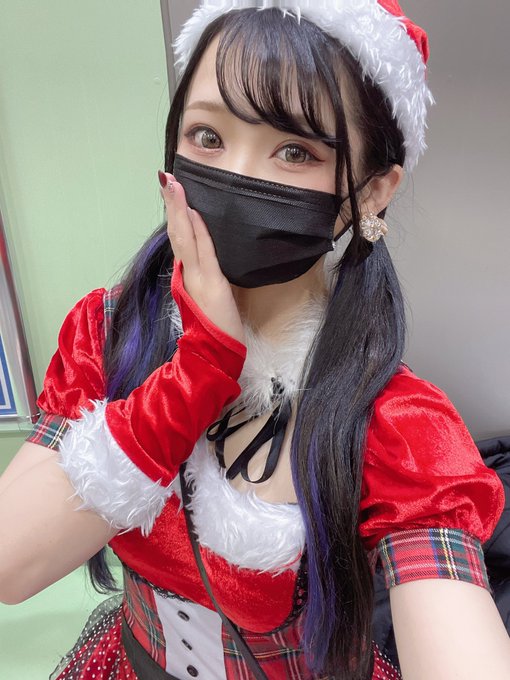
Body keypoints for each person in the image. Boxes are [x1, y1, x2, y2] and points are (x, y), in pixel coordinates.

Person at [1, 1, 509, 678]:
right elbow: (11, 564)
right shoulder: (108, 334)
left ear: (373, 190)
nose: (238, 175)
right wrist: (197, 371)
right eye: (207, 136)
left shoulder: (398, 427)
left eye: (295, 151)